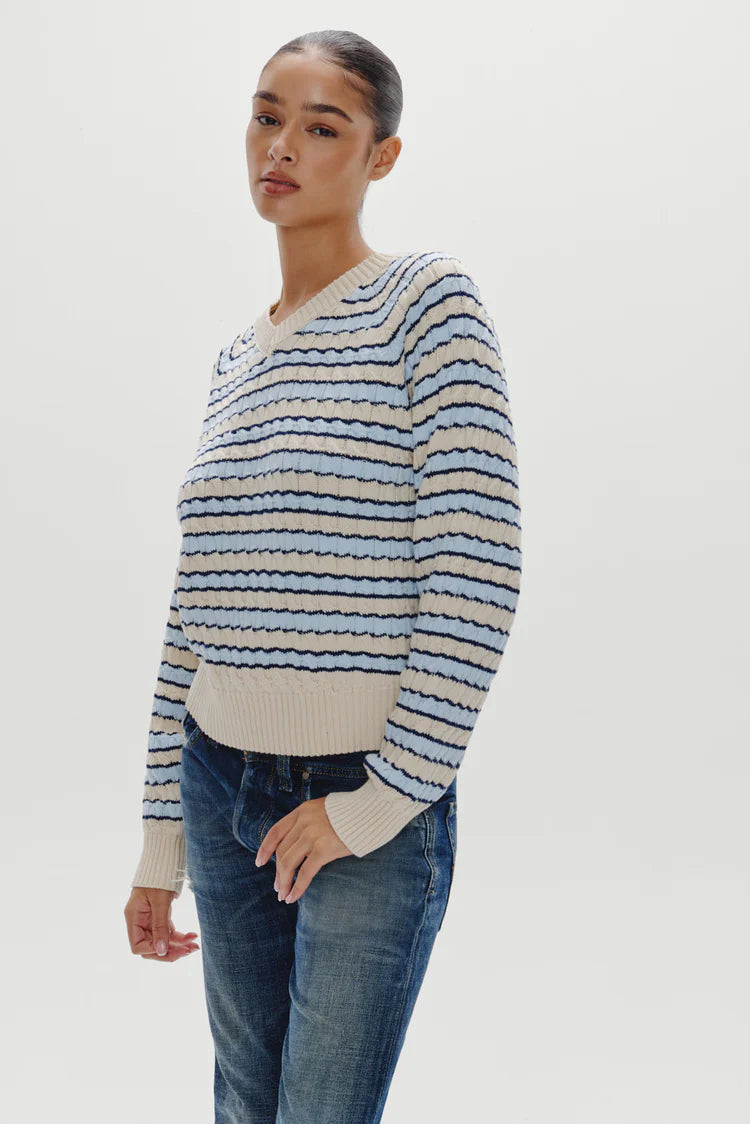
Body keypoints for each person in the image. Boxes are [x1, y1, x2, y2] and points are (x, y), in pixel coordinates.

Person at [124, 28, 522, 1124]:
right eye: (266, 117)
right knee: (245, 1105)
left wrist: (378, 801)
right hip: (218, 780)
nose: (281, 147)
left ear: (381, 155)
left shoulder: (425, 304)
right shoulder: (233, 360)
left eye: (322, 126)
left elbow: (478, 573)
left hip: (366, 791)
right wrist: (160, 840)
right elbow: (193, 615)